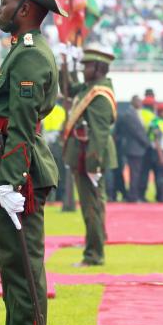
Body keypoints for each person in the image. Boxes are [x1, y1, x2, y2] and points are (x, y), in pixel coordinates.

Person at [0, 0, 63, 325]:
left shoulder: (30, 57)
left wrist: (9, 180)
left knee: (22, 273)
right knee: (13, 271)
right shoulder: (22, 51)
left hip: (19, 176)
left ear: (25, 7)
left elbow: (20, 126)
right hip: (14, 168)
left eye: (6, 1)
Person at [62, 45, 118, 267]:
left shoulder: (100, 94)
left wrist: (93, 165)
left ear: (98, 68)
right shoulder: (90, 87)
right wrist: (65, 65)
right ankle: (95, 243)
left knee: (91, 207)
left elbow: (100, 134)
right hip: (84, 155)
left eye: (86, 66)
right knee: (94, 205)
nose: (83, 69)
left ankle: (93, 255)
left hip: (90, 157)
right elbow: (68, 89)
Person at [116, 95, 151, 202]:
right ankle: (133, 196)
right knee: (134, 174)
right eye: (139, 101)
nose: (141, 103)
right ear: (133, 102)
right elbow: (137, 132)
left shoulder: (136, 113)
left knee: (137, 173)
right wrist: (146, 143)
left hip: (139, 148)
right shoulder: (129, 114)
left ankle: (135, 195)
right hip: (134, 149)